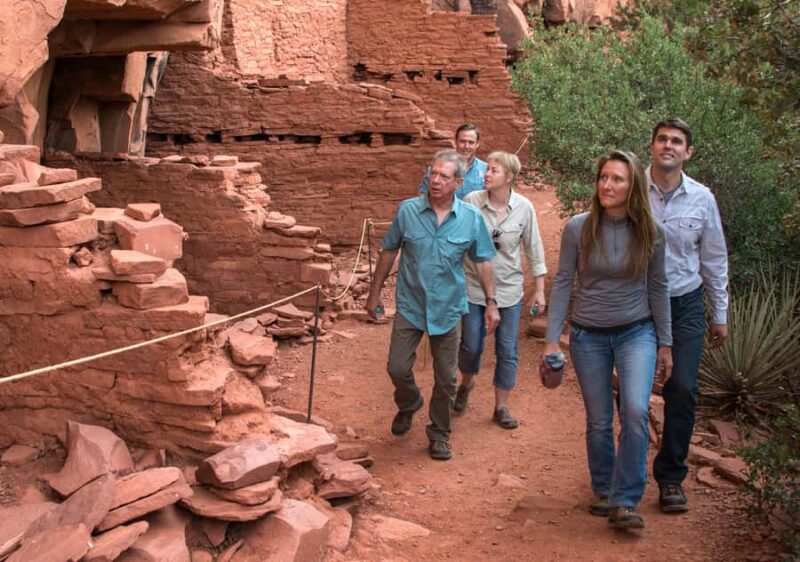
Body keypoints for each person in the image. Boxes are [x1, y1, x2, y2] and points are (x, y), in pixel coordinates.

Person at [544, 150, 673, 530]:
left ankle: (626, 499)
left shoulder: (652, 231)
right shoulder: (578, 228)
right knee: (599, 420)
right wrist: (553, 339)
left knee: (634, 410)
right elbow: (565, 281)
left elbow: (659, 287)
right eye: (603, 178)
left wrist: (665, 342)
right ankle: (603, 488)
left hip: (637, 332)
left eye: (617, 179)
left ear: (632, 186)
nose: (607, 185)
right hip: (588, 336)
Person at [366, 149, 500, 461]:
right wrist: (373, 294)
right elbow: (389, 251)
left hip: (449, 308)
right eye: (433, 173)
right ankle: (410, 402)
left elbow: (482, 261)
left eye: (443, 176)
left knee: (447, 378)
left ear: (458, 183)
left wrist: (491, 302)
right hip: (411, 304)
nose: (435, 180)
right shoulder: (408, 211)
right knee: (397, 367)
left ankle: (439, 434)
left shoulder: (470, 219)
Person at [647, 118, 729, 513]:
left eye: (676, 141)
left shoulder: (702, 198)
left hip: (686, 303)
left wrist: (720, 313)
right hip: (639, 303)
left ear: (688, 152)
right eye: (662, 139)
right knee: (631, 389)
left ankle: (670, 476)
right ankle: (623, 469)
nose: (669, 145)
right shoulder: (632, 192)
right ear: (651, 146)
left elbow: (714, 258)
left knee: (682, 387)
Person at [455, 151, 547, 428]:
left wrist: (539, 288)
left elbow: (534, 247)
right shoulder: (471, 202)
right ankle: (467, 382)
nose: (487, 174)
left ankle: (501, 407)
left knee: (507, 349)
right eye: (488, 170)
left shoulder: (524, 208)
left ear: (509, 177)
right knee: (471, 345)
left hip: (509, 290)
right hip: (473, 287)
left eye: (493, 170)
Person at [419, 123, 487, 200]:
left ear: (477, 144)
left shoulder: (485, 170)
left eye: (471, 142)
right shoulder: (437, 169)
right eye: (462, 141)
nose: (466, 146)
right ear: (455, 142)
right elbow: (423, 197)